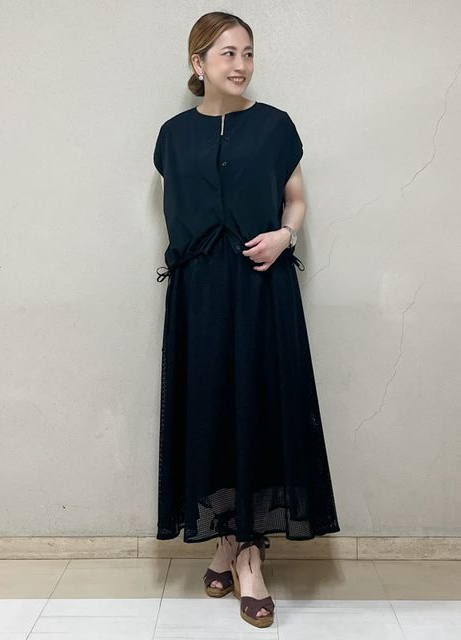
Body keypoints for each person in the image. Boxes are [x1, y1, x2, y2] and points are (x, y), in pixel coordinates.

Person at [153, 11, 341, 629]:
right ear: (198, 62)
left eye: (249, 53)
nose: (240, 64)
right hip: (200, 294)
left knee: (258, 407)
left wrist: (286, 237)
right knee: (210, 408)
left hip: (262, 289)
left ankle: (250, 555)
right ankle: (227, 541)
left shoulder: (275, 126)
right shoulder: (172, 136)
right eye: (228, 53)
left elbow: (296, 198)